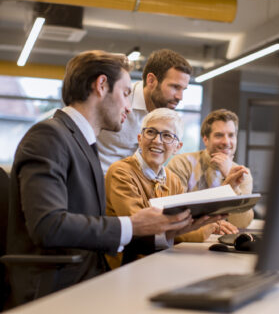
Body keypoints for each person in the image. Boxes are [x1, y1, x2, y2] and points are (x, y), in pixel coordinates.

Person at [6, 50, 203, 307]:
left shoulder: (83, 144)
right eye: (124, 94)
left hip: (86, 275)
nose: (128, 106)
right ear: (101, 86)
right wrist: (132, 225)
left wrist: (173, 228)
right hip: (56, 286)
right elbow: (49, 226)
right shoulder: (48, 137)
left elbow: (91, 228)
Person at [105, 108, 242, 267]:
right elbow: (144, 230)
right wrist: (204, 226)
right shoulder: (121, 172)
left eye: (167, 135)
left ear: (177, 147)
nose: (157, 140)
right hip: (128, 266)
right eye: (151, 132)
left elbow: (184, 220)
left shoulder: (172, 179)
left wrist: (205, 222)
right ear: (140, 138)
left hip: (163, 260)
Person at [97, 48, 192, 173]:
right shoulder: (117, 100)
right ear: (151, 80)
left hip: (131, 185)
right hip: (96, 182)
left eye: (183, 90)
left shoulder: (165, 117)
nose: (180, 97)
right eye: (175, 87)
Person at [167, 108, 254, 228]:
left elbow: (241, 224)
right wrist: (212, 225)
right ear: (205, 139)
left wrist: (231, 181)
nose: (226, 142)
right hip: (187, 241)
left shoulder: (243, 174)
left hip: (224, 241)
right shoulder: (182, 163)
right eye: (219, 135)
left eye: (231, 135)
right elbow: (174, 211)